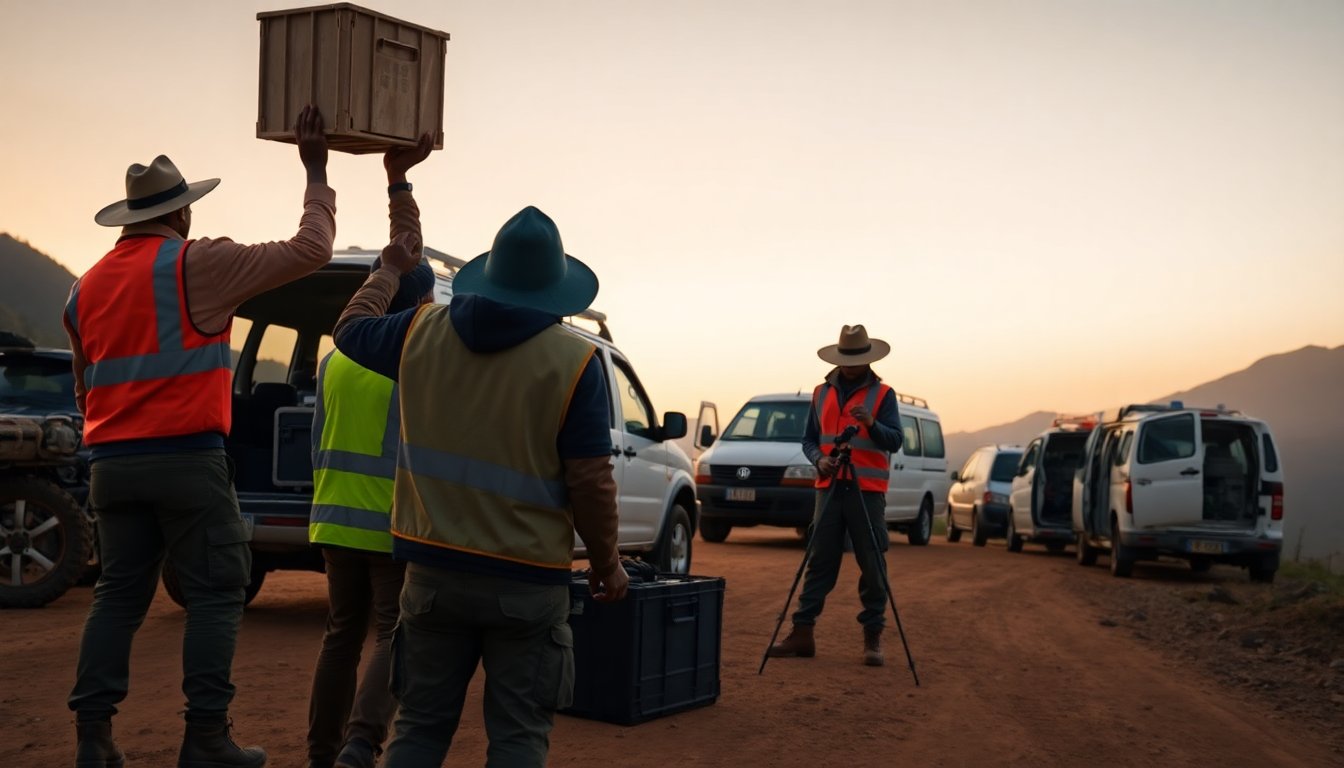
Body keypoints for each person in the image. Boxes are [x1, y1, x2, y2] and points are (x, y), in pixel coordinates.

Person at [64, 106, 334, 768]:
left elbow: (84, 388)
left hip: (110, 466)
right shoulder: (196, 264)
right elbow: (312, 252)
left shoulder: (83, 289)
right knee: (217, 590)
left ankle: (94, 741)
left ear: (129, 219)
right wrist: (316, 168)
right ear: (181, 214)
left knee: (118, 595)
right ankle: (206, 738)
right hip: (186, 459)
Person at [332, 205, 629, 767]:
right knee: (518, 737)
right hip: (526, 584)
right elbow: (591, 482)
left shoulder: (420, 333)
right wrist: (607, 563)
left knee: (418, 728)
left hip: (432, 576)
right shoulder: (575, 361)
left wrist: (388, 271)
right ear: (554, 289)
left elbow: (347, 331)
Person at [304, 135, 435, 768]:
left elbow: (398, 265)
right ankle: (361, 743)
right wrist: (398, 183)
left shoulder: (337, 358)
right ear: (420, 307)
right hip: (389, 521)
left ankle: (320, 752)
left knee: (339, 637)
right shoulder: (413, 357)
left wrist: (399, 188)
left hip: (332, 517)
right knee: (391, 631)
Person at [768, 324, 904, 667]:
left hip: (867, 491)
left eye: (857, 359)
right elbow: (809, 440)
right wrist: (819, 460)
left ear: (868, 359)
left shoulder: (883, 395)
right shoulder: (820, 393)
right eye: (846, 358)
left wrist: (872, 422)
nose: (851, 365)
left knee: (872, 562)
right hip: (829, 487)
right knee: (819, 562)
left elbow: (895, 441)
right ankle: (802, 633)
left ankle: (873, 636)